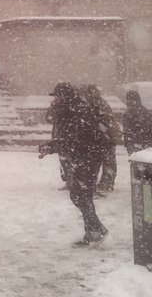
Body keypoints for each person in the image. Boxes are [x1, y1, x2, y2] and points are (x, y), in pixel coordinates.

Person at [38, 82, 112, 245]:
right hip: (83, 156)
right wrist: (51, 146)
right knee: (80, 195)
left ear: (64, 97)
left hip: (89, 157)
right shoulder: (70, 109)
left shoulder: (77, 111)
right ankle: (95, 230)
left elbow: (72, 139)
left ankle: (95, 231)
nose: (55, 100)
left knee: (80, 194)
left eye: (57, 96)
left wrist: (51, 146)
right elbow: (68, 138)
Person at [82, 84, 121, 195]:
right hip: (103, 138)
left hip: (104, 138)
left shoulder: (95, 104)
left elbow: (107, 120)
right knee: (106, 162)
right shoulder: (97, 103)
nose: (96, 93)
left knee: (105, 162)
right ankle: (105, 184)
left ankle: (105, 184)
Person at [45, 81, 74, 190]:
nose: (55, 98)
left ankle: (74, 183)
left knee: (70, 160)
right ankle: (68, 181)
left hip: (68, 138)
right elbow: (48, 118)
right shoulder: (55, 106)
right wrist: (54, 108)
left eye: (57, 95)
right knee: (63, 160)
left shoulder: (71, 106)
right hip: (59, 136)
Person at [123, 88, 152, 154]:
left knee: (138, 161)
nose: (129, 101)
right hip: (140, 142)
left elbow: (126, 130)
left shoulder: (144, 113)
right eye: (128, 99)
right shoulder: (145, 112)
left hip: (140, 142)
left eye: (131, 99)